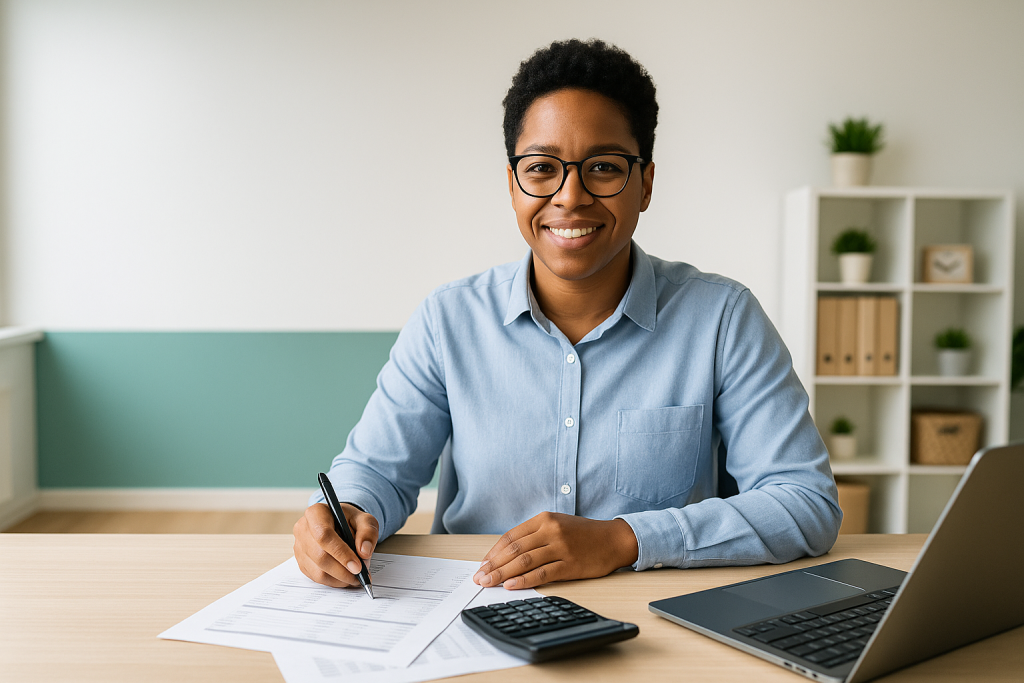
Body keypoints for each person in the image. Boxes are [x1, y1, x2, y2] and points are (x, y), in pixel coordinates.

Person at [293, 38, 841, 592]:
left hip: (658, 617)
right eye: (541, 168)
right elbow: (377, 471)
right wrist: (347, 513)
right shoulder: (448, 321)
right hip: (474, 607)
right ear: (513, 185)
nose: (570, 196)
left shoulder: (723, 318)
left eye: (603, 167)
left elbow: (804, 503)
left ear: (646, 183)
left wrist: (622, 539)